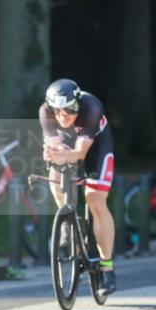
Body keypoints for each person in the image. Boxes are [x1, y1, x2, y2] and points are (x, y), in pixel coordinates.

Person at [40, 78, 116, 296]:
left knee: (95, 199)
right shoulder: (45, 111)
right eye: (58, 111)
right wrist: (51, 153)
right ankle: (66, 223)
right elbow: (52, 144)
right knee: (54, 169)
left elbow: (80, 153)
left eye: (70, 110)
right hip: (66, 141)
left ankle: (107, 266)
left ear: (78, 103)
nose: (64, 116)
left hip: (95, 146)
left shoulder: (91, 107)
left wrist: (67, 155)